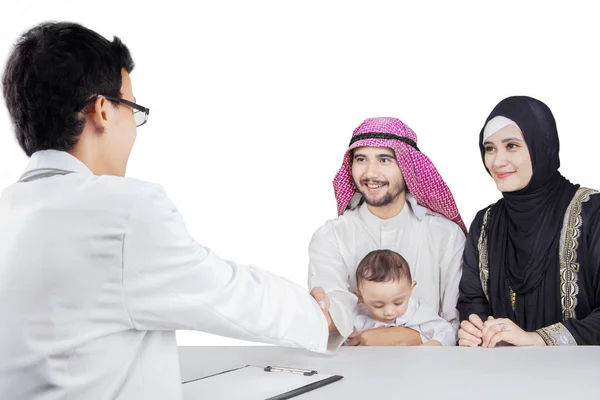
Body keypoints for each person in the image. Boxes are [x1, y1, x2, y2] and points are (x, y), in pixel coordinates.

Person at [0, 22, 334, 400]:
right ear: (102, 111)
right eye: (132, 109)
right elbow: (226, 295)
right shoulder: (123, 211)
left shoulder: (8, 211)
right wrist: (318, 316)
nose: (134, 128)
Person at [308, 116, 466, 347]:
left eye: (384, 159)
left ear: (407, 166)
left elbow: (457, 327)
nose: (371, 172)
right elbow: (332, 322)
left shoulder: (446, 235)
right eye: (361, 159)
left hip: (431, 372)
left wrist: (401, 337)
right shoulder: (331, 237)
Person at [457, 96, 600, 347]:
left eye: (511, 145)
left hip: (581, 379)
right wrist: (476, 330)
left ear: (542, 146)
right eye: (489, 148)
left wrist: (534, 339)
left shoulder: (592, 212)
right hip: (501, 378)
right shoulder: (485, 224)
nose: (497, 161)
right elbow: (472, 301)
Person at [349, 249, 455, 346]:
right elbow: (342, 343)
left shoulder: (417, 311)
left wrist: (431, 345)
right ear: (360, 297)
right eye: (378, 305)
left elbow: (446, 331)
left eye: (398, 302)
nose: (389, 312)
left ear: (410, 290)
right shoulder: (356, 317)